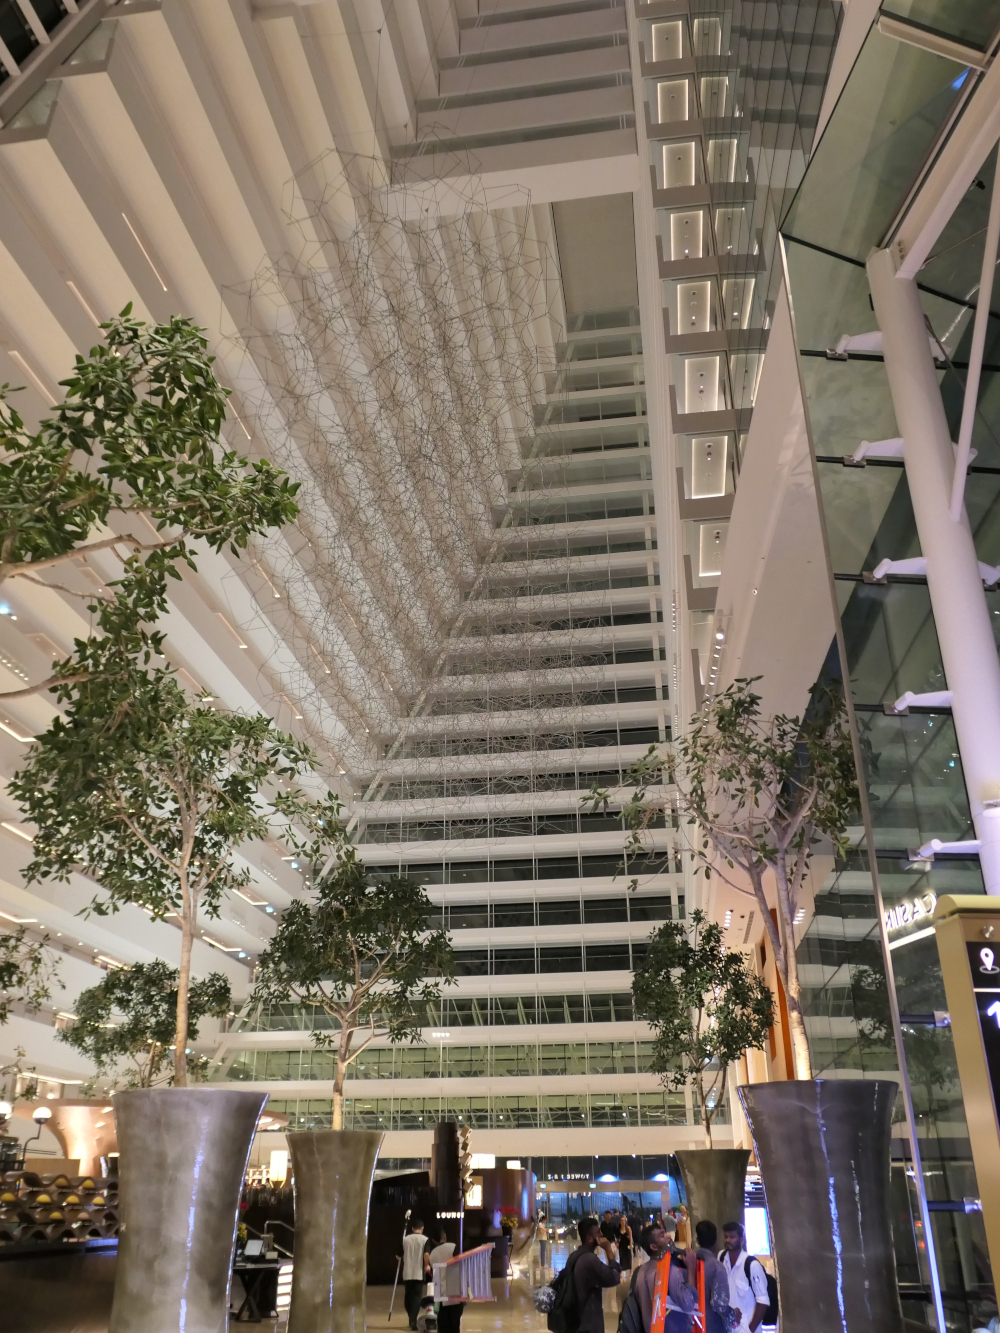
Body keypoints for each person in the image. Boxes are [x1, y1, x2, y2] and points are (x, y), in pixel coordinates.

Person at [632, 1221, 699, 1333]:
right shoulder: (669, 1271)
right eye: (662, 1236)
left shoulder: (639, 1271)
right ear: (653, 1247)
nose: (669, 1236)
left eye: (665, 1233)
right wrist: (691, 1268)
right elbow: (688, 1304)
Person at [571, 1216, 622, 1333]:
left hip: (577, 1321)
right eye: (598, 1232)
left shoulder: (575, 1255)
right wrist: (608, 1250)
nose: (602, 1235)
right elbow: (614, 1277)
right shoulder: (589, 1260)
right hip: (589, 1324)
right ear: (589, 1238)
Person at [720, 1222, 770, 1333]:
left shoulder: (752, 1265)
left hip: (746, 1328)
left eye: (732, 1237)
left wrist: (749, 1330)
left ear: (742, 1239)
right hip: (727, 1328)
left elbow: (763, 1302)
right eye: (726, 1236)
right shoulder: (721, 1258)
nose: (728, 1240)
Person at [694, 1221, 734, 1333]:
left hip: (692, 1325)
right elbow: (719, 1304)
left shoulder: (688, 1262)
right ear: (716, 1241)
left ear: (697, 1240)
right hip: (712, 1327)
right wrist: (733, 1314)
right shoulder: (717, 1267)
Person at [428, 1227, 463, 1333]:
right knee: (455, 1326)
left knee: (443, 1326)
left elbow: (435, 1274)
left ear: (433, 1240)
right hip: (455, 1293)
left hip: (441, 1295)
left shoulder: (432, 1254)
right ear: (444, 1237)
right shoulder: (453, 1247)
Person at [400, 1217, 430, 1331]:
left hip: (407, 1273)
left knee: (408, 1296)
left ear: (412, 1228)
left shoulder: (405, 1239)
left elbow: (398, 1255)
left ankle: (411, 1318)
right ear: (422, 1228)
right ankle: (413, 1319)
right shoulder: (425, 1239)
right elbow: (426, 1254)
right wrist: (426, 1265)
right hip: (418, 1273)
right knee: (416, 1297)